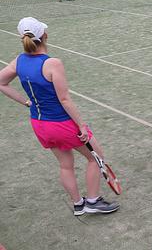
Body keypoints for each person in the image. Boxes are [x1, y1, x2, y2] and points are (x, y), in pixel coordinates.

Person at [0, 17, 119, 216]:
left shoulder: (18, 61)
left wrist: (26, 102)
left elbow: (1, 83)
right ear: (44, 36)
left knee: (65, 165)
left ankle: (78, 204)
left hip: (40, 125)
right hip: (61, 123)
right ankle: (92, 200)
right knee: (95, 157)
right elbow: (64, 99)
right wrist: (81, 125)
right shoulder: (52, 63)